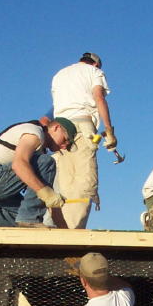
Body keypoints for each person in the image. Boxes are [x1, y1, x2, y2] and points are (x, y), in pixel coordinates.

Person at [0, 117, 77, 228]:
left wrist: (65, 230)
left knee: (21, 214)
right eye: (65, 140)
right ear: (56, 128)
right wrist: (45, 193)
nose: (64, 147)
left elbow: (49, 202)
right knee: (46, 161)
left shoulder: (39, 151)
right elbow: (19, 164)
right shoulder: (34, 133)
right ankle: (30, 220)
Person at [50, 52, 115, 229]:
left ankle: (62, 228)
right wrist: (109, 130)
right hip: (82, 126)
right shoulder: (94, 73)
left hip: (59, 129)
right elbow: (99, 97)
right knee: (84, 182)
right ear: (95, 64)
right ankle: (74, 232)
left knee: (65, 183)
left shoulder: (60, 74)